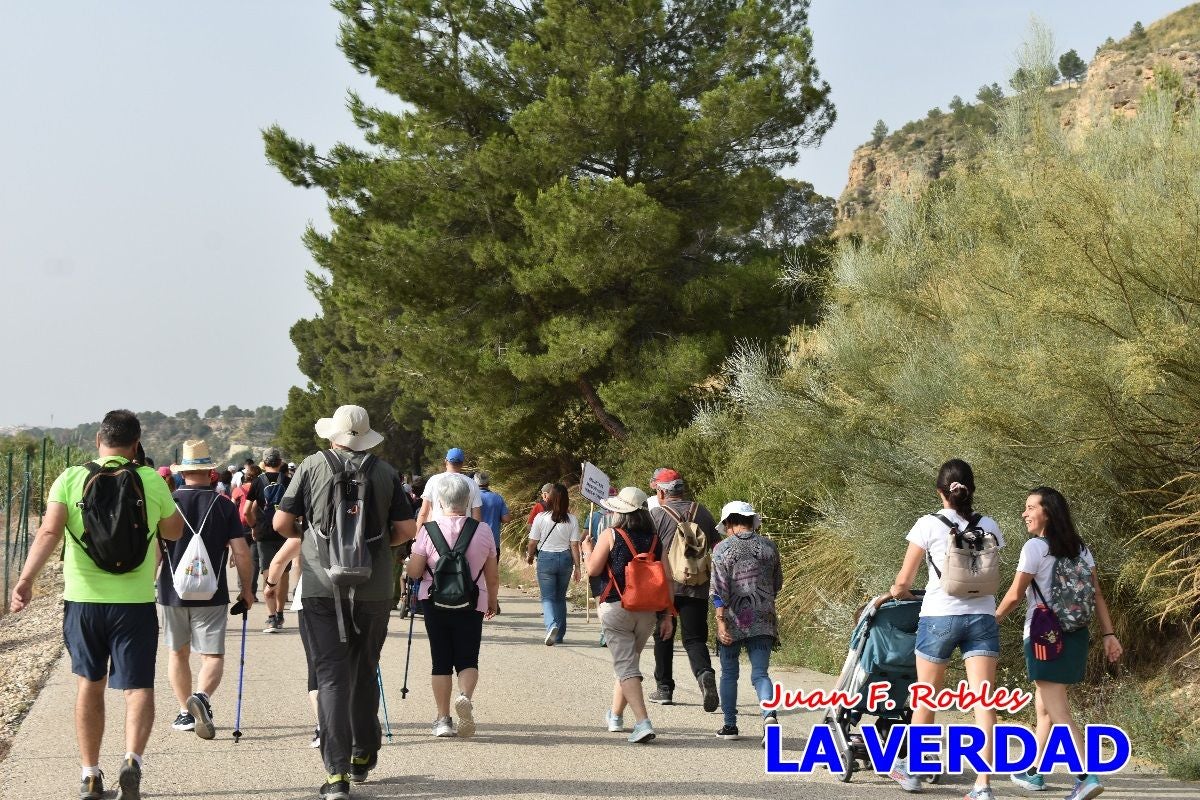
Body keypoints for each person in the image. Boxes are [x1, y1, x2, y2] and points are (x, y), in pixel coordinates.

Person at [10, 410, 183, 800]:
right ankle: (132, 761)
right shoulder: (149, 479)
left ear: (98, 441)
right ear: (136, 445)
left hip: (84, 602)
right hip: (134, 605)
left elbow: (50, 530)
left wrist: (25, 579)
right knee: (137, 686)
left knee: (90, 683)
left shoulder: (71, 477)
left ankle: (90, 774)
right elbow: (173, 531)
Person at [269, 404, 415, 800]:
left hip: (321, 585)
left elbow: (281, 523)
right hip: (374, 586)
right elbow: (406, 529)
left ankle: (336, 774)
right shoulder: (386, 473)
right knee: (365, 667)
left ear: (332, 435)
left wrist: (317, 536)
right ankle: (363, 753)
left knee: (331, 676)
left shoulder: (313, 466)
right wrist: (375, 546)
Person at [995, 487, 1123, 800]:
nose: (1024, 514)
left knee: (1059, 710)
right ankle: (1035, 771)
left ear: (1047, 512)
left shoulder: (1034, 548)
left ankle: (1086, 777)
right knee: (1046, 706)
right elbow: (1098, 595)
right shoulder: (1080, 548)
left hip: (1043, 637)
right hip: (1076, 634)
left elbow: (1013, 596)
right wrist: (1109, 634)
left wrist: (988, 624)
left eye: (1030, 508)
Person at [888, 459, 1004, 798]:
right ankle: (982, 785)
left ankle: (914, 773)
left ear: (940, 491)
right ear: (971, 490)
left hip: (939, 615)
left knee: (928, 695)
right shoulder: (990, 524)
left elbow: (904, 580)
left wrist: (898, 591)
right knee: (985, 701)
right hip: (983, 615)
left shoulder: (927, 524)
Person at [159, 440, 255, 740]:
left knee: (178, 653)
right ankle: (201, 697)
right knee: (212, 655)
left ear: (182, 472)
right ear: (210, 471)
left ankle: (185, 713)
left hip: (172, 592)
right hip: (212, 593)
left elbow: (155, 552)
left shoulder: (168, 503)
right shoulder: (224, 505)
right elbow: (241, 552)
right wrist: (247, 590)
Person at [407, 473, 500, 738]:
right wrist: (492, 600)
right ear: (469, 499)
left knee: (441, 660)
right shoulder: (482, 531)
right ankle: (465, 697)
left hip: (434, 601)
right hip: (472, 601)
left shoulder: (428, 530)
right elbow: (492, 575)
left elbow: (415, 572)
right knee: (468, 657)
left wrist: (413, 562)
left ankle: (442, 719)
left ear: (439, 499)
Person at [585, 486, 674, 744]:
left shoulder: (611, 534)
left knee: (626, 666)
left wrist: (586, 549)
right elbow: (667, 579)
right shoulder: (656, 540)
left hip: (616, 607)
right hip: (647, 611)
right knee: (628, 664)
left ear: (620, 511)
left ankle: (643, 722)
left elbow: (593, 569)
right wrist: (667, 614)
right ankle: (615, 716)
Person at [710, 501, 782, 745]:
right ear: (752, 521)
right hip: (764, 618)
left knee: (729, 673)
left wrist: (720, 621)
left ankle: (730, 725)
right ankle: (769, 716)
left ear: (729, 522)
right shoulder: (769, 547)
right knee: (760, 673)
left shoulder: (721, 550)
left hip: (732, 620)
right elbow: (777, 584)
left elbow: (719, 591)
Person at [647, 469, 720, 709]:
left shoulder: (656, 515)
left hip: (665, 585)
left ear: (661, 491)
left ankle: (664, 688)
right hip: (697, 583)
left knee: (663, 635)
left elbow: (649, 551)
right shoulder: (703, 512)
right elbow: (717, 546)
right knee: (695, 638)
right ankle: (704, 673)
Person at [524, 483, 581, 645]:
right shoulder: (572, 520)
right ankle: (560, 634)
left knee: (548, 597)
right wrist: (578, 567)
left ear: (549, 498)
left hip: (546, 558)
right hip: (565, 559)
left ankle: (551, 626)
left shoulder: (540, 518)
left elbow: (532, 542)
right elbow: (574, 545)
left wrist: (529, 556)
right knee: (560, 598)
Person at [245, 447, 291, 633]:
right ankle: (280, 612)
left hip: (264, 531)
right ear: (280, 462)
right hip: (286, 531)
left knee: (268, 572)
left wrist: (253, 526)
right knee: (284, 572)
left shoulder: (257, 482)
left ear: (264, 464)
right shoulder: (288, 481)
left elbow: (247, 510)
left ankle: (271, 617)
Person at [415, 447, 482, 526]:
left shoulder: (433, 480)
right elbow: (476, 516)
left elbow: (423, 512)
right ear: (462, 464)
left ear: (446, 461)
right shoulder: (472, 483)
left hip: (436, 534)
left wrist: (417, 535)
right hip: (465, 534)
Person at [475, 471, 511, 551]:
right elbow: (506, 519)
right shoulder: (497, 497)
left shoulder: (472, 497)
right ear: (488, 482)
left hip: (475, 543)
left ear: (475, 483)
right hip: (493, 543)